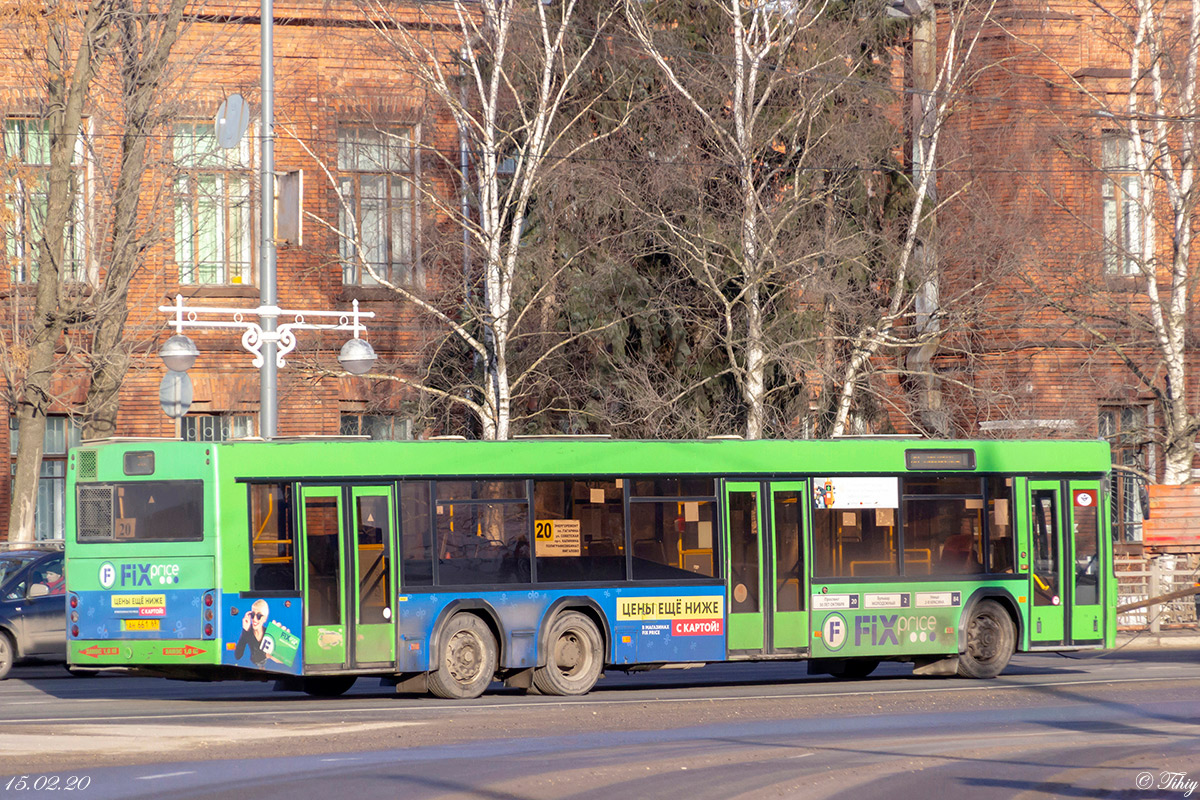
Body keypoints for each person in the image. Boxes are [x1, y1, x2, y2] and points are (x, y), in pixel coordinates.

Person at [234, 599, 276, 667]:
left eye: (259, 616)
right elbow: (237, 655)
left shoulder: (269, 634)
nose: (254, 619)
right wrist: (245, 630)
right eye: (253, 615)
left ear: (265, 619)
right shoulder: (248, 631)